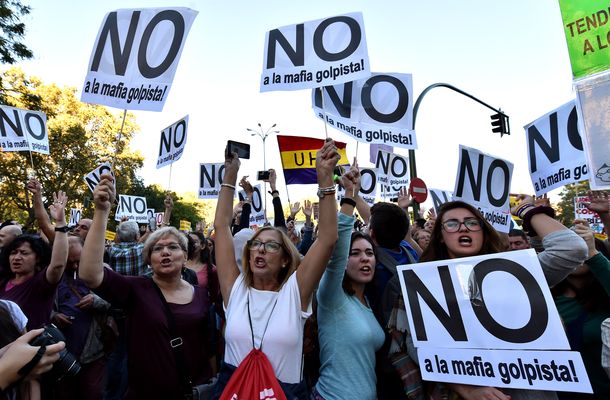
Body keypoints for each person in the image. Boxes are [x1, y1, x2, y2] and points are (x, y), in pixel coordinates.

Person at [417, 198, 588, 400]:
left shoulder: (515, 271)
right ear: (441, 237)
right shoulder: (423, 281)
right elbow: (419, 347)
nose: (463, 228)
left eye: (472, 223)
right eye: (452, 224)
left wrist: (528, 211)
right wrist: (467, 390)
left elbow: (572, 248)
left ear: (483, 231)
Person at [212, 139, 340, 399]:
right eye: (255, 244)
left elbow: (327, 237)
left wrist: (325, 180)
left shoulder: (296, 293)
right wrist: (230, 174)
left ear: (284, 259)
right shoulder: (234, 290)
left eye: (271, 246)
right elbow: (222, 227)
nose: (260, 249)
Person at [79, 174, 215, 400]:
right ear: (148, 259)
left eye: (173, 247)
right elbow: (89, 274)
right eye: (157, 248)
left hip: (193, 392)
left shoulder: (201, 295)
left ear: (185, 256)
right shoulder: (135, 289)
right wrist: (102, 212)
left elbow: (209, 347)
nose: (165, 252)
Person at [312, 165, 385, 400]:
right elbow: (336, 247)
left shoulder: (370, 303)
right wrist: (349, 196)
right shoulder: (332, 297)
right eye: (355, 253)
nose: (365, 258)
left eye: (369, 253)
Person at [552, 221, 610, 398]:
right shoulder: (547, 300)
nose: (577, 254)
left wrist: (592, 253)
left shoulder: (605, 298)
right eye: (570, 249)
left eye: (582, 248)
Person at [52, 236, 111, 400]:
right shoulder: (52, 274)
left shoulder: (103, 270)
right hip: (61, 352)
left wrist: (96, 300)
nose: (75, 266)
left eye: (78, 260)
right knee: (64, 393)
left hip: (94, 350)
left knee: (92, 393)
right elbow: (39, 305)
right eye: (69, 263)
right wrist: (54, 316)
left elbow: (118, 300)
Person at [0, 191, 69, 330]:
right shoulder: (3, 280)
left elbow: (57, 265)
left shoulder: (40, 284)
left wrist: (60, 223)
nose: (17, 257)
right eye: (13, 253)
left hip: (28, 348)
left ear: (38, 258)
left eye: (24, 253)